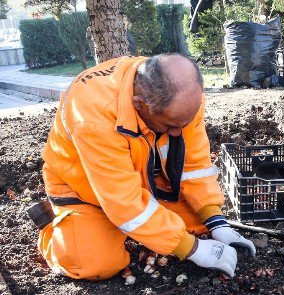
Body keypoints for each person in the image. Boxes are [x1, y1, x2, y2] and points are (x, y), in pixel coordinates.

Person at [35, 53, 255, 281]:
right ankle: (56, 230)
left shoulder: (182, 99)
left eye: (183, 124)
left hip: (143, 182)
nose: (178, 133)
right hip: (86, 193)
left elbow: (195, 162)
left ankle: (134, 227)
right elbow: (123, 201)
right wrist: (193, 250)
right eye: (170, 125)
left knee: (198, 227)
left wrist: (216, 221)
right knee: (95, 264)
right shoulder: (93, 116)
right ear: (140, 104)